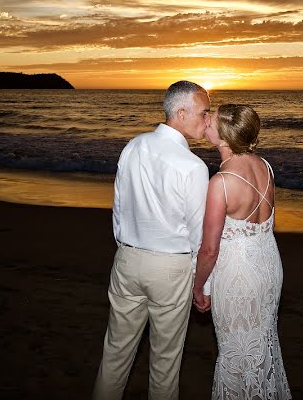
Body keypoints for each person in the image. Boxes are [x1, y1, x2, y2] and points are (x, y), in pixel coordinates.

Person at [92, 80, 211, 400]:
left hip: (127, 260)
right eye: (204, 112)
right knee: (165, 363)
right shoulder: (193, 167)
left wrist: (126, 246)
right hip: (170, 268)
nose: (208, 120)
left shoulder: (133, 146)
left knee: (115, 353)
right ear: (181, 112)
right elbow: (199, 234)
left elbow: (118, 207)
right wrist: (204, 286)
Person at [192, 104, 292, 399]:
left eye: (211, 118)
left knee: (236, 354)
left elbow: (209, 250)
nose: (206, 119)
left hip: (239, 275)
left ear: (223, 138)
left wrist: (198, 287)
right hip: (269, 265)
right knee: (261, 344)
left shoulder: (220, 183)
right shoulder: (265, 167)